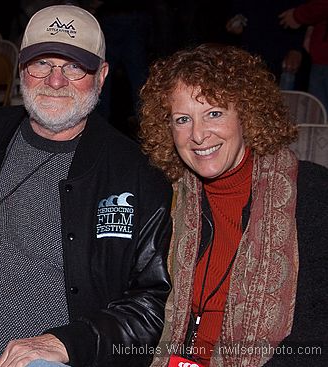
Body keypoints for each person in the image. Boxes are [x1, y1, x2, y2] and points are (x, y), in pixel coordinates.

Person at [0, 5, 173, 367]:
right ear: (21, 70)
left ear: (102, 75)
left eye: (75, 66)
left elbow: (149, 303)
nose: (55, 80)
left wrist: (69, 343)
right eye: (42, 63)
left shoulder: (134, 173)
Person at [139, 43, 328, 366]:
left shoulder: (311, 193)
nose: (198, 135)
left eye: (214, 113)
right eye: (182, 119)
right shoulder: (164, 198)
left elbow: (318, 330)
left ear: (246, 113)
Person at [279, 0, 328, 110]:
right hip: (319, 55)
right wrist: (311, 27)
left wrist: (298, 15)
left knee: (318, 116)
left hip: (323, 59)